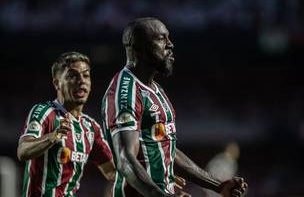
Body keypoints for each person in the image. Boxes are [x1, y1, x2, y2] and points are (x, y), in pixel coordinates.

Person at [101, 17, 248, 197]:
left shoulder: (155, 89)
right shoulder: (125, 91)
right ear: (139, 46)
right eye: (162, 38)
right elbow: (125, 160)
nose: (170, 45)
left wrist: (218, 185)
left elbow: (168, 150)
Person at [17, 52, 116, 197]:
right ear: (57, 83)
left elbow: (112, 171)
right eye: (72, 76)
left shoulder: (91, 127)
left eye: (86, 75)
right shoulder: (45, 112)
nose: (81, 81)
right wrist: (52, 137)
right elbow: (22, 151)